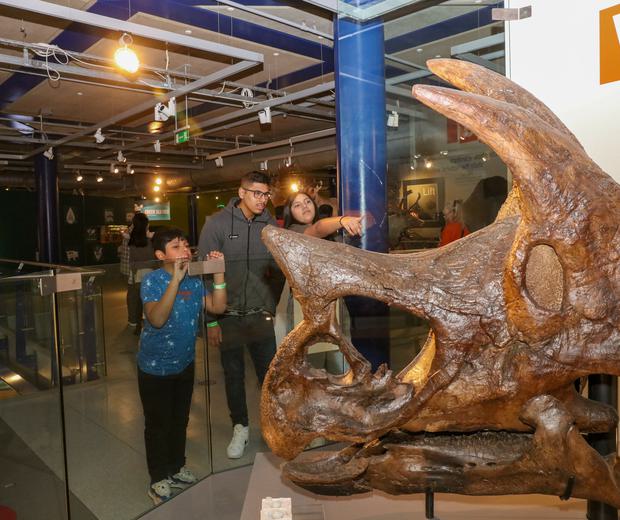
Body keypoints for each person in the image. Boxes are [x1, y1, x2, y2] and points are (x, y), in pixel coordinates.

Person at [198, 171, 285, 459]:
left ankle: (272, 428)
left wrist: (270, 303)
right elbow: (205, 277)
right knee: (233, 375)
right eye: (257, 193)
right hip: (228, 315)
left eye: (266, 194)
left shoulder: (269, 224)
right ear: (242, 192)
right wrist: (211, 320)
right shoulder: (217, 225)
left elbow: (279, 266)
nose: (262, 200)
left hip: (260, 314)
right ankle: (241, 427)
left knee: (268, 377)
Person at [138, 227, 226, 504]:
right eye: (176, 247)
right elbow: (157, 319)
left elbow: (217, 307)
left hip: (185, 363)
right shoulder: (151, 281)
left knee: (180, 420)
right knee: (157, 424)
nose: (185, 251)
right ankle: (158, 478)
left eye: (186, 246)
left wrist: (219, 273)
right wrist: (174, 281)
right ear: (160, 254)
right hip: (154, 368)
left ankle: (176, 468)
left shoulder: (194, 281)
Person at [283, 191, 363, 375]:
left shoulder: (330, 236)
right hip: (306, 311)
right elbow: (317, 229)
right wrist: (343, 220)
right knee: (312, 371)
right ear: (290, 213)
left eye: (307, 201)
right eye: (297, 205)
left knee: (341, 365)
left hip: (333, 306)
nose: (305, 206)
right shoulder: (293, 232)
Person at [127, 212, 154, 335]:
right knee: (151, 300)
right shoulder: (150, 240)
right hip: (151, 273)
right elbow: (155, 259)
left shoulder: (132, 241)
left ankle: (138, 324)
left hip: (137, 273)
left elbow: (132, 260)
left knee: (139, 301)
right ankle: (150, 323)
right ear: (146, 225)